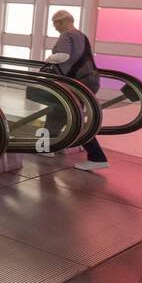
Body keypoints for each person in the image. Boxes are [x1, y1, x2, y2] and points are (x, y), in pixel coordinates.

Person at [45, 9, 108, 171]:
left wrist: (49, 59)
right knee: (56, 111)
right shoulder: (81, 36)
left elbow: (63, 56)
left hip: (76, 83)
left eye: (54, 23)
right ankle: (47, 147)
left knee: (73, 116)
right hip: (90, 80)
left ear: (61, 22)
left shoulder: (66, 36)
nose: (54, 27)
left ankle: (97, 156)